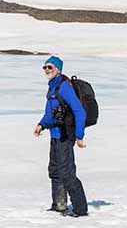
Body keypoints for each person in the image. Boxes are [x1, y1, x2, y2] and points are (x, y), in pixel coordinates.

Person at [33, 56, 88, 217]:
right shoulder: (52, 87)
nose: (46, 70)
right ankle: (59, 205)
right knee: (55, 171)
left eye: (49, 67)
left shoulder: (64, 87)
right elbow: (48, 113)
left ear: (58, 69)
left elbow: (79, 111)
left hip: (65, 135)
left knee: (67, 173)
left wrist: (79, 136)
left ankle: (80, 209)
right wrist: (41, 125)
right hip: (54, 135)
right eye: (45, 67)